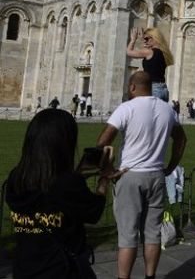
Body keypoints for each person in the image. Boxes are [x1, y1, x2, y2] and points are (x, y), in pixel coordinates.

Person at [5, 109, 119, 278]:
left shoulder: (17, 176)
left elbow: (46, 195)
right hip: (61, 269)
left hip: (25, 267)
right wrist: (104, 179)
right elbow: (94, 211)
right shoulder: (66, 182)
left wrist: (79, 175)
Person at [96, 71, 187, 279]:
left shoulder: (126, 108)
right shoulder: (167, 110)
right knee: (152, 234)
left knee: (128, 236)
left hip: (130, 175)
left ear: (132, 87)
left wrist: (108, 171)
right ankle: (149, 276)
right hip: (156, 175)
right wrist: (171, 166)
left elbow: (103, 141)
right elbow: (181, 140)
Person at [126, 27, 174, 102]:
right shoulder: (164, 53)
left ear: (154, 38)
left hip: (153, 88)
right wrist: (144, 39)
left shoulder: (149, 52)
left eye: (147, 39)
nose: (145, 41)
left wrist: (133, 40)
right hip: (163, 89)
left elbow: (129, 52)